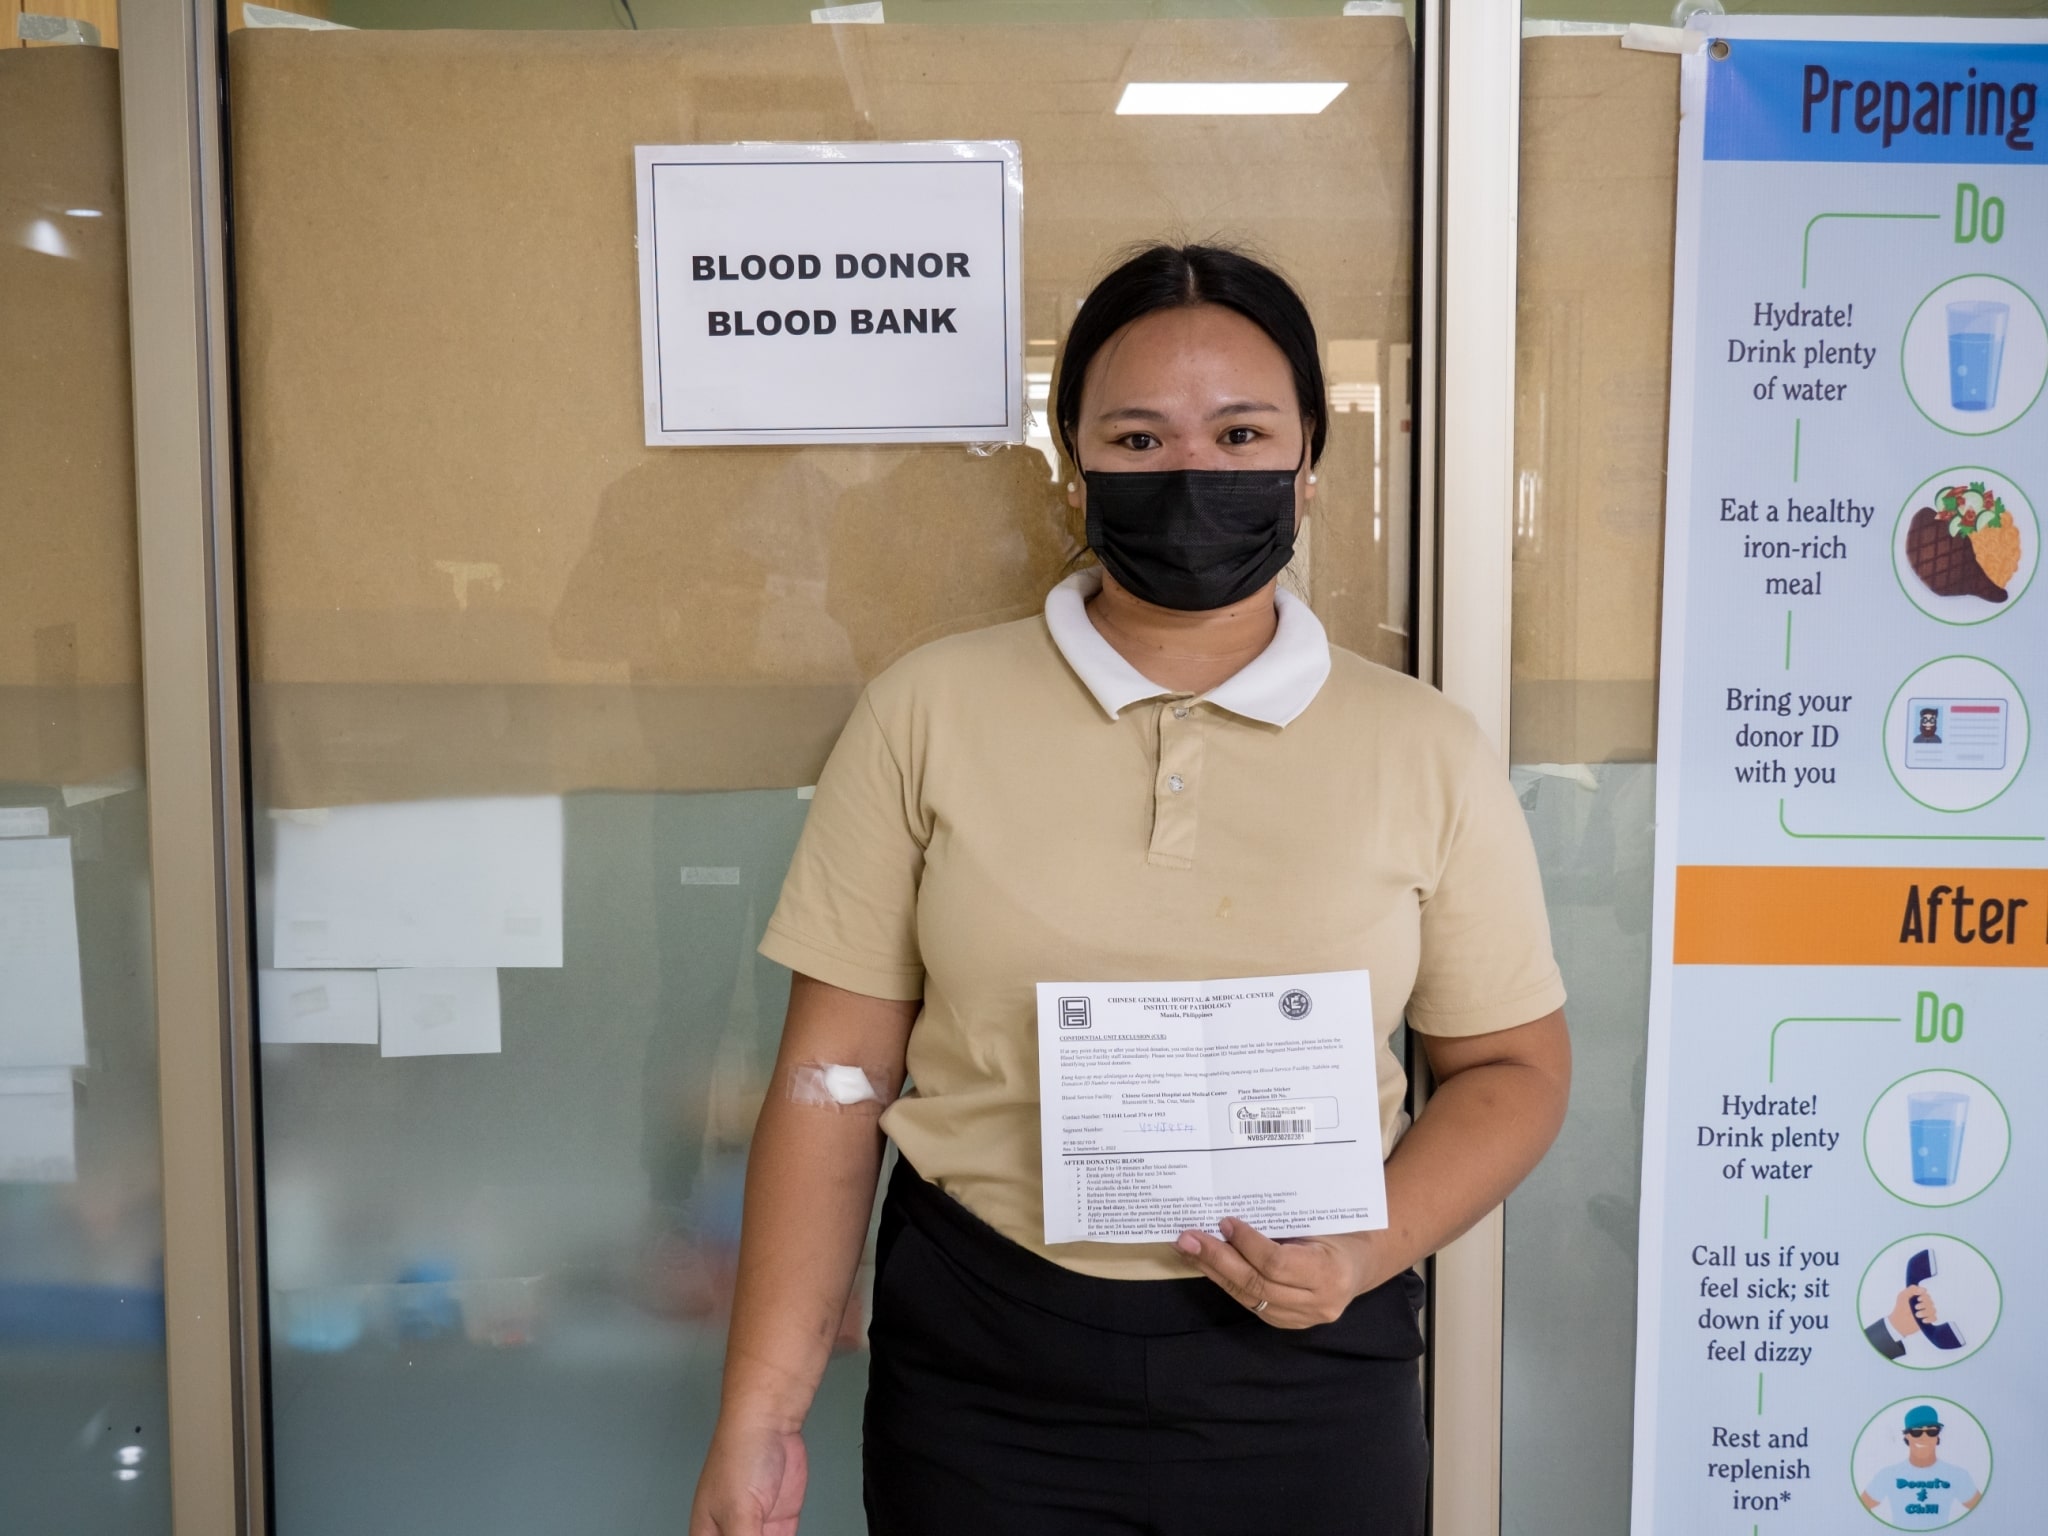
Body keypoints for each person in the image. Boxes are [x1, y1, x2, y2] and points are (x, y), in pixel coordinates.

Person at [688, 243, 1571, 1536]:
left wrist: (1366, 1249)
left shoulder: (1421, 744)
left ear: (1310, 465)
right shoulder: (928, 710)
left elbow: (1512, 1068)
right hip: (987, 1370)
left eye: (1242, 432)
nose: (1194, 473)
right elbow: (835, 1078)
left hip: (1308, 1368)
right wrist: (759, 1414)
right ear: (1076, 466)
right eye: (1140, 438)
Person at [1861, 1405, 1982, 1527]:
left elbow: (1984, 1510)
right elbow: (1861, 1507)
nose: (1924, 1437)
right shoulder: (1887, 1475)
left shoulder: (1957, 1475)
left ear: (1937, 1435)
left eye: (1931, 1431)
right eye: (1916, 1432)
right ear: (1907, 1436)